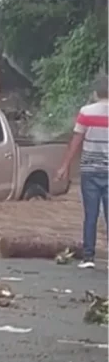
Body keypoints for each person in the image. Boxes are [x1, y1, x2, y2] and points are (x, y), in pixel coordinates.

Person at [55, 75, 109, 269]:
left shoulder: (86, 112)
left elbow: (76, 142)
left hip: (90, 171)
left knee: (91, 215)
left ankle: (88, 258)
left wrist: (64, 166)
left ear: (95, 93)